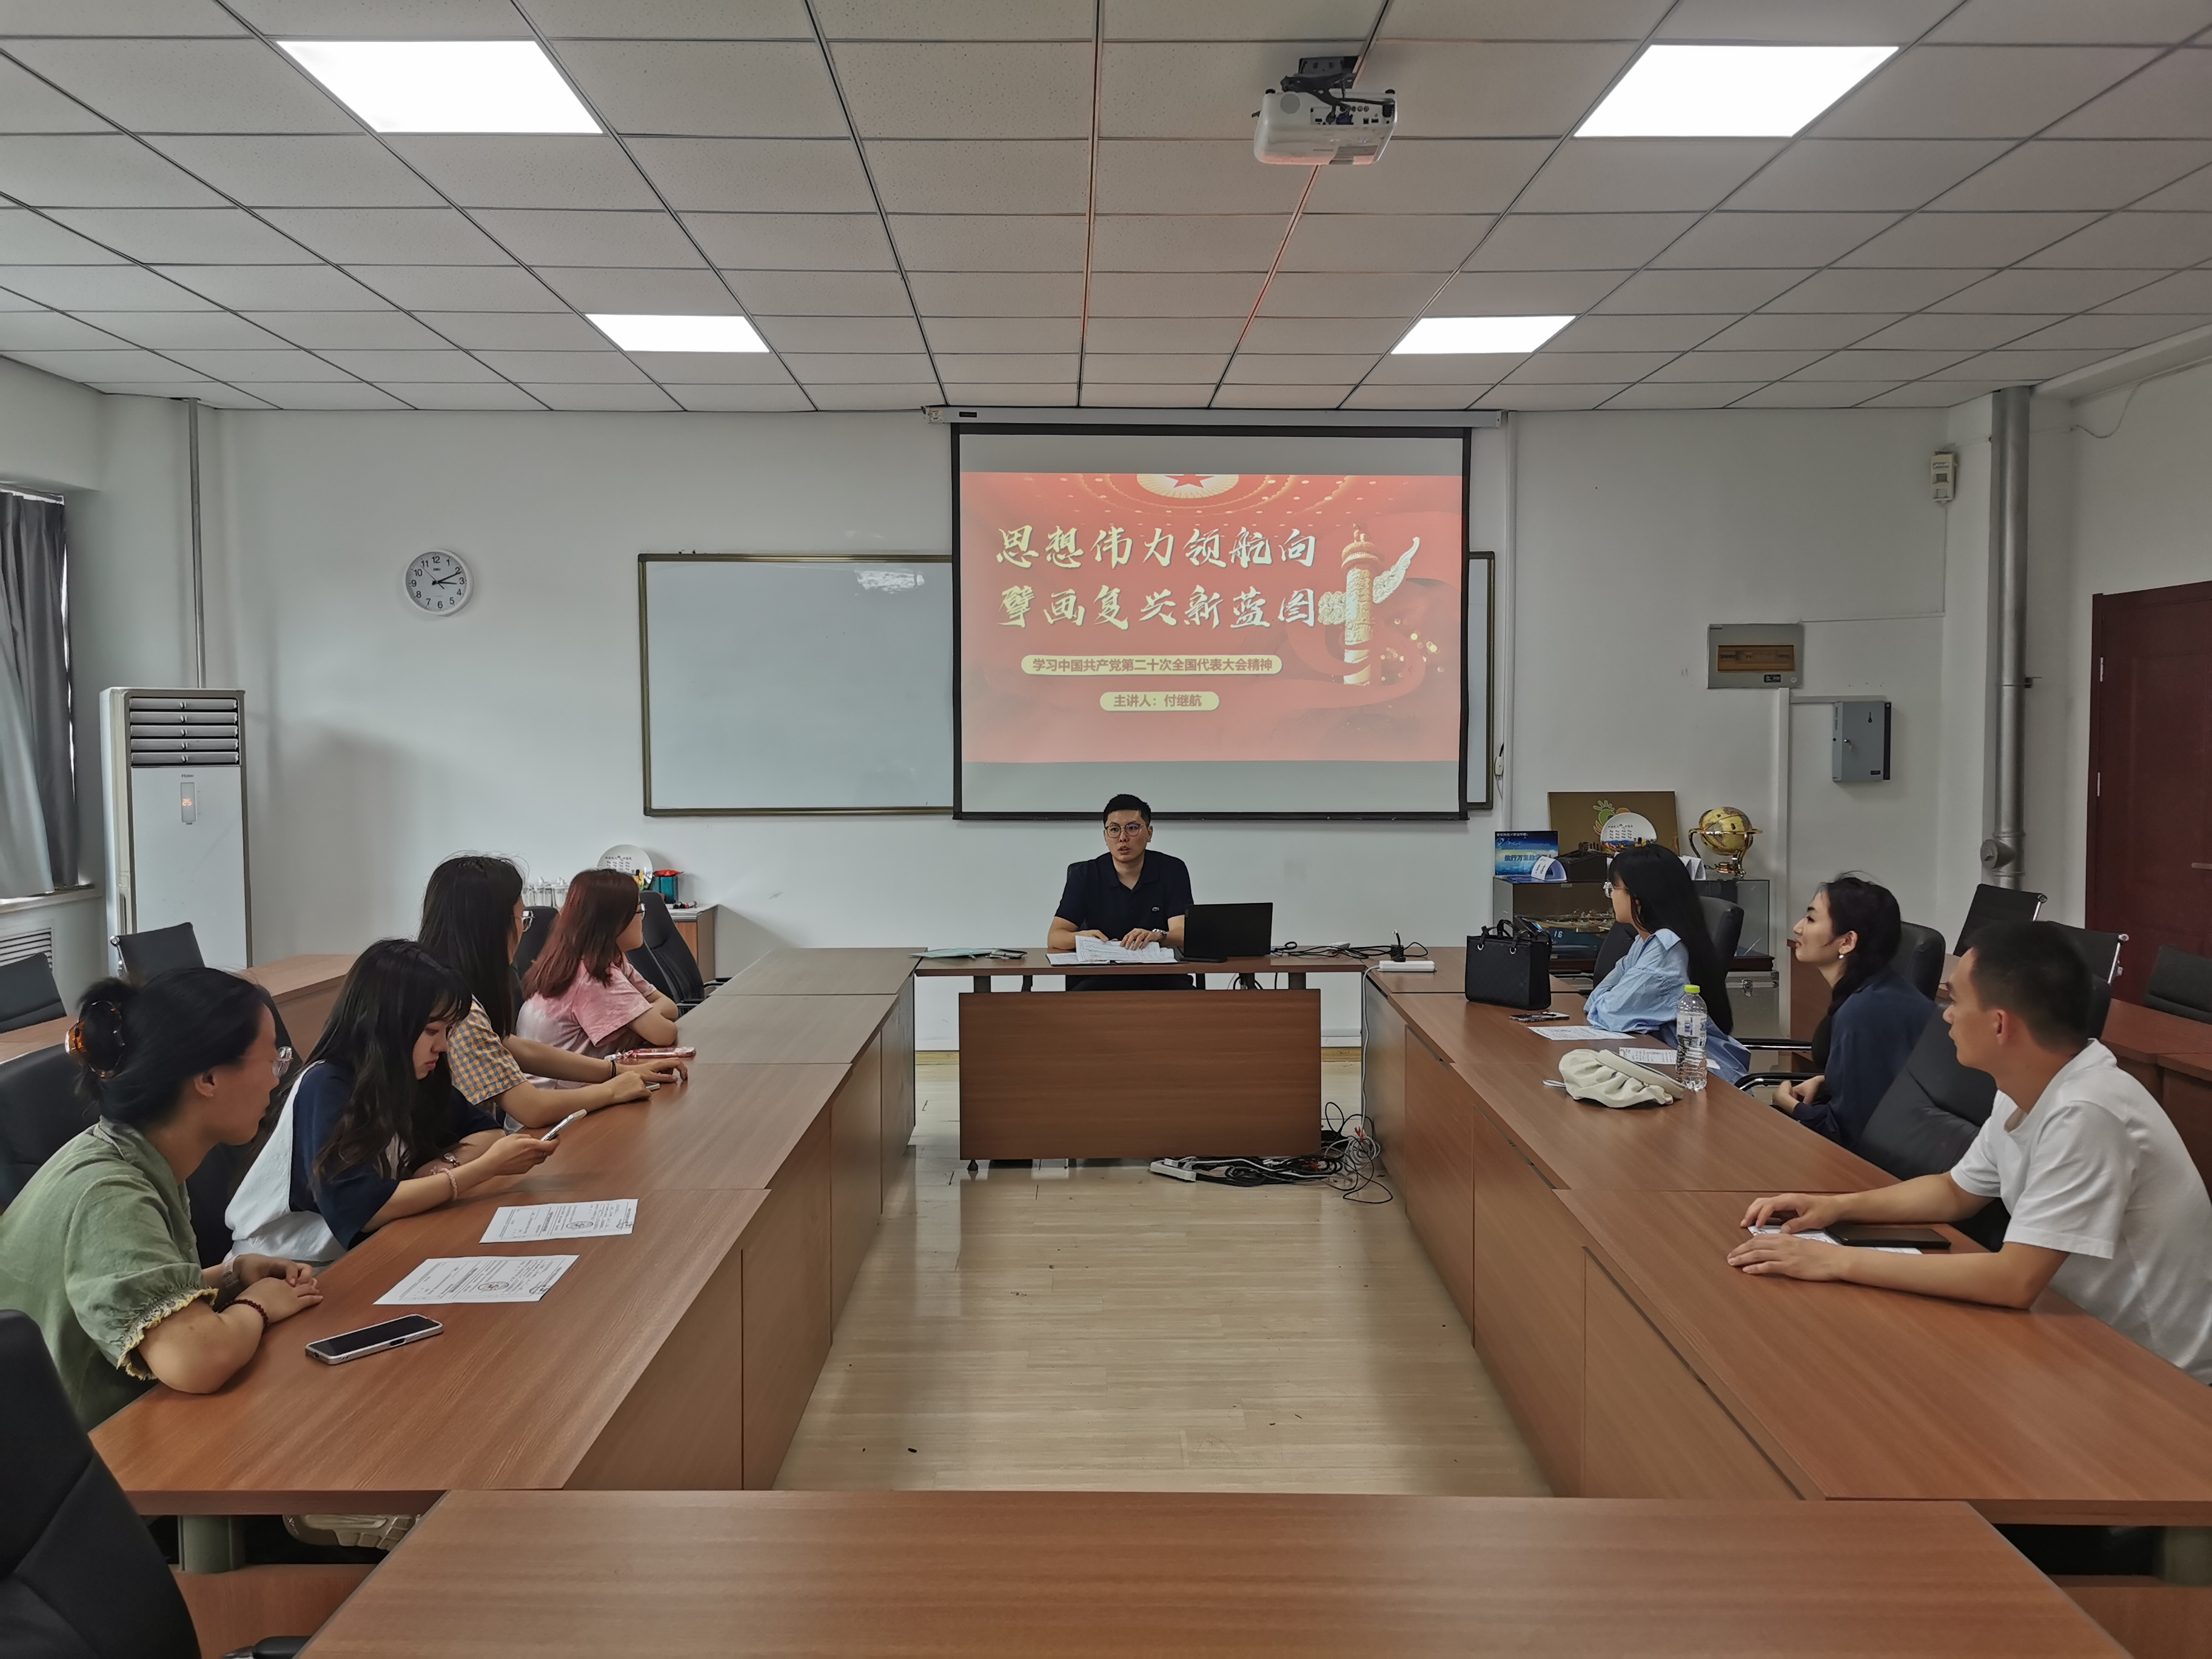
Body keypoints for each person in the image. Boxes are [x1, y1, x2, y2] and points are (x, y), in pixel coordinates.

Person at [1730, 922, 2212, 1384]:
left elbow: (2014, 1280)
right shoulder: (2027, 1083)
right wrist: (1836, 1208)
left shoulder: (2087, 1111)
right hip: (2070, 1331)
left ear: (2000, 1024)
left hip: (2153, 1372)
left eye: (1957, 1000)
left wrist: (1835, 1262)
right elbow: (1956, 1191)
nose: (1945, 1014)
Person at [0, 971, 322, 1428]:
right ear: (208, 1077)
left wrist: (231, 1276)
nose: (277, 1080)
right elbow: (196, 1359)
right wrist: (259, 1306)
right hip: (69, 1450)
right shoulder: (110, 1194)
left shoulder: (134, 1154)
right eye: (273, 1061)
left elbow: (125, 1295)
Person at [227, 939, 558, 1264]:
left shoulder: (412, 1074)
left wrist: (445, 1165)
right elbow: (363, 1210)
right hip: (285, 1266)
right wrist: (484, 1169)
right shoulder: (327, 1084)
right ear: (386, 1023)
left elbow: (488, 1133)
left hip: (363, 1250)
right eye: (431, 1031)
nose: (443, 1046)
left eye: (448, 1031)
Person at [419, 854, 684, 1125]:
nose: (523, 930)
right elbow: (532, 1109)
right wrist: (614, 1088)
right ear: (490, 927)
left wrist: (616, 1070)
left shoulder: (442, 988)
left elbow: (519, 1048)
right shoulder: (458, 1010)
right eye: (522, 918)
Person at [1773, 875, 1935, 1147]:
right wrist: (1826, 1081)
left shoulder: (1865, 1012)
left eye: (1811, 919)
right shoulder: (1877, 991)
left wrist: (1790, 1105)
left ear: (1847, 942)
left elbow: (1847, 1133)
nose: (1797, 928)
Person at [1583, 842, 1751, 1084]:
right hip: (1669, 1064)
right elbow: (1597, 1001)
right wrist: (1608, 1002)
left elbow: (1609, 1014)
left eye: (1613, 888)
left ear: (1638, 897)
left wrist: (1609, 1002)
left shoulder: (1666, 951)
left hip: (1701, 1076)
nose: (1610, 896)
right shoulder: (1646, 941)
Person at [517, 870, 682, 1061]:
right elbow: (665, 1033)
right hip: (561, 1079)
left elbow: (671, 1007)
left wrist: (638, 1016)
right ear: (613, 922)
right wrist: (641, 1017)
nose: (642, 920)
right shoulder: (593, 976)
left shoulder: (593, 961)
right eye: (638, 911)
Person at [1046, 793, 1195, 992]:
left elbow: (1184, 932)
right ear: (1105, 836)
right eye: (1114, 830)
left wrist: (1157, 936)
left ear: (1149, 833)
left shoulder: (1171, 870)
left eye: (1132, 828)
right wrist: (1083, 938)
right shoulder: (1085, 875)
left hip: (1161, 976)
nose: (1123, 838)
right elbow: (1055, 937)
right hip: (1101, 977)